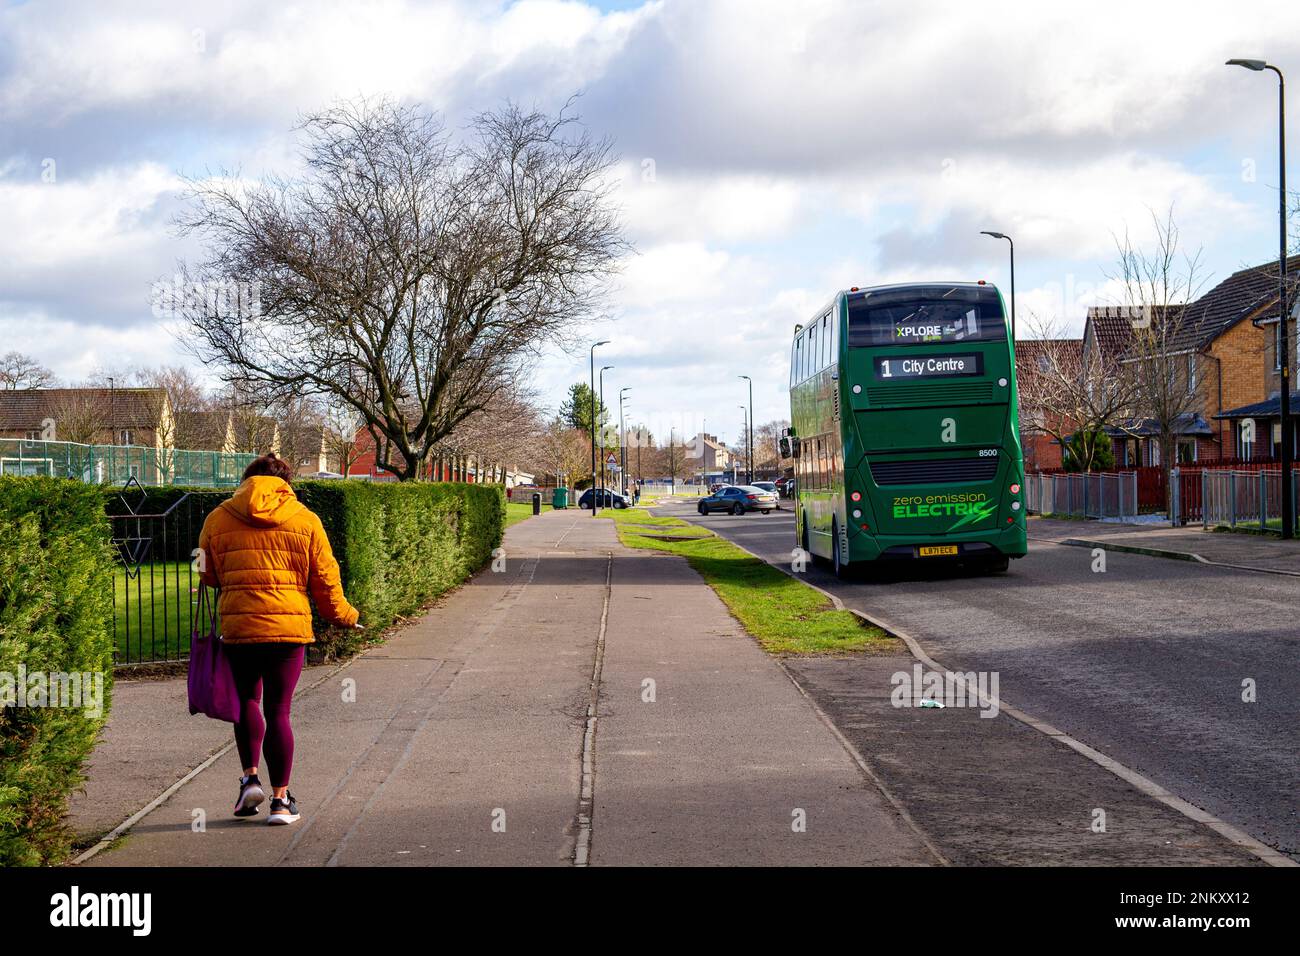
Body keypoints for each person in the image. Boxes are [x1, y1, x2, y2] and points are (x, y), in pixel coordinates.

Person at [197, 452, 360, 825]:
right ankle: (280, 802)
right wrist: (345, 617)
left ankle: (249, 779)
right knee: (279, 711)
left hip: (240, 629)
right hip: (288, 631)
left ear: (246, 479)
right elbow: (325, 579)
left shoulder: (219, 517)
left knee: (247, 702)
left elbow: (204, 572)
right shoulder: (305, 519)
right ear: (286, 482)